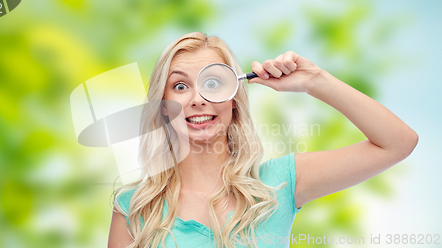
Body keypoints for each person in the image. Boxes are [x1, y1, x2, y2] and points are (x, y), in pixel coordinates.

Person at [107, 32, 418, 248]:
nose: (197, 99)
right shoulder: (134, 207)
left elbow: (398, 142)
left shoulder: (279, 184)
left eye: (213, 83)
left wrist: (314, 81)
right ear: (163, 106)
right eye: (179, 86)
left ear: (234, 99)